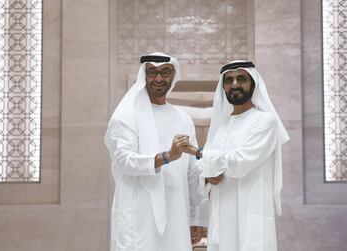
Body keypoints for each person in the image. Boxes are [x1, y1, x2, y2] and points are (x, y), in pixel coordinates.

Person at [104, 52, 206, 251]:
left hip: (177, 212)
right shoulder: (126, 115)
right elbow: (125, 160)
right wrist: (167, 157)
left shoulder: (183, 118)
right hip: (139, 213)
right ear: (144, 75)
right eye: (152, 73)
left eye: (165, 73)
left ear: (173, 76)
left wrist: (195, 217)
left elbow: (193, 172)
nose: (159, 78)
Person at [185, 60, 289, 251]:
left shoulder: (265, 121)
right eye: (229, 79)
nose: (234, 84)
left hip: (251, 215)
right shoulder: (222, 127)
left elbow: (240, 162)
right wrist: (208, 175)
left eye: (241, 78)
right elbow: (204, 170)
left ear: (253, 84)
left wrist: (197, 152)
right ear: (223, 86)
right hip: (221, 217)